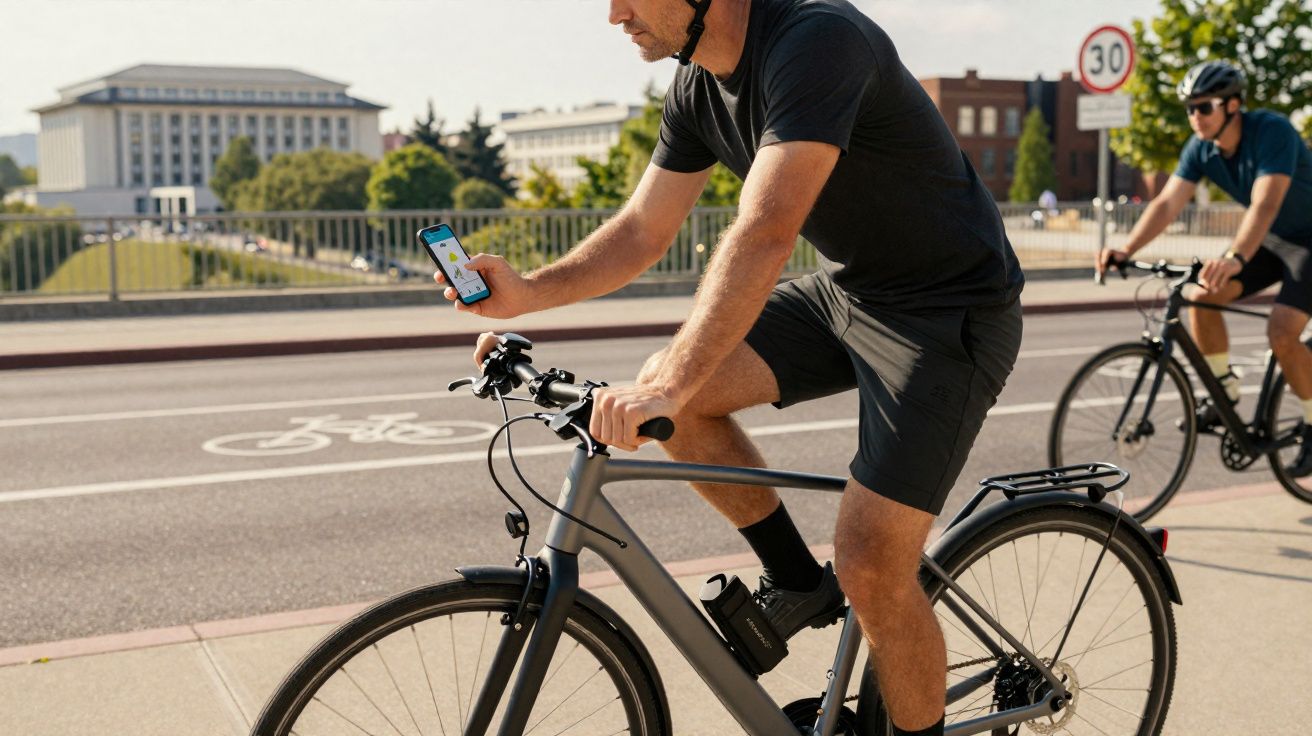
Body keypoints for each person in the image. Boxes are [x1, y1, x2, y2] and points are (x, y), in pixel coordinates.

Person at [436, 2, 1024, 733]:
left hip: (948, 313)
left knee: (871, 564)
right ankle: (795, 579)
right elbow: (644, 230)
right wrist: (529, 293)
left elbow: (767, 229)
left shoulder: (817, 41)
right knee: (679, 394)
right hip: (852, 291)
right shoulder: (696, 84)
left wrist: (667, 386)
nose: (613, 13)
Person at [1097, 60, 1312, 474]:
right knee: (1199, 296)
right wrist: (1125, 248)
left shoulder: (1272, 131)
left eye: (1204, 107)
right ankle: (1224, 392)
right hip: (1271, 240)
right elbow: (1166, 203)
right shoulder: (1201, 147)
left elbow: (1266, 202)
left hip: (1310, 241)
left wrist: (1234, 257)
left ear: (1233, 105)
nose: (1195, 116)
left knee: (1282, 331)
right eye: (1190, 108)